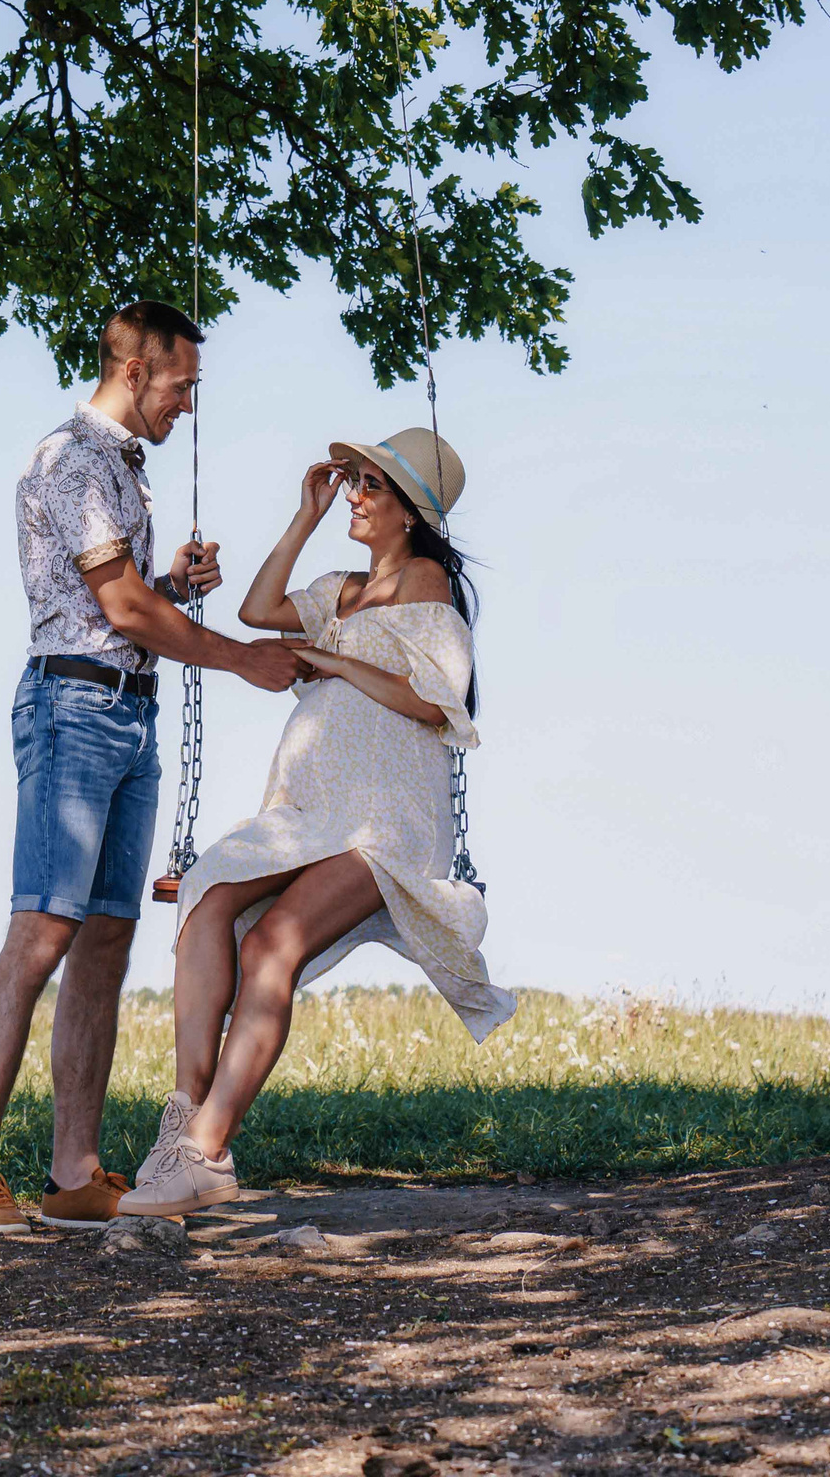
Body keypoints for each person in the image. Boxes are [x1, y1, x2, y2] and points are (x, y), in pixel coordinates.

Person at [0, 299, 303, 1235]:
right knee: (42, 933)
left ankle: (72, 1175)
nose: (189, 403)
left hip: (130, 715)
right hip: (73, 709)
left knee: (105, 941)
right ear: (135, 371)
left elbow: (124, 600)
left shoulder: (121, 469)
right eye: (182, 384)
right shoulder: (71, 458)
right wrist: (240, 657)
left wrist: (172, 584)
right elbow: (124, 613)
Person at [117, 424, 515, 1219]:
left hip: (384, 811)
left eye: (370, 485)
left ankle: (208, 1150)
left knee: (273, 945)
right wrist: (306, 516)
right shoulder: (340, 588)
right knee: (206, 895)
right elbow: (257, 608)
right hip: (309, 809)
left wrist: (331, 659)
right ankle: (183, 1129)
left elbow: (432, 700)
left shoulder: (426, 581)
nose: (355, 495)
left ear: (411, 511)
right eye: (353, 481)